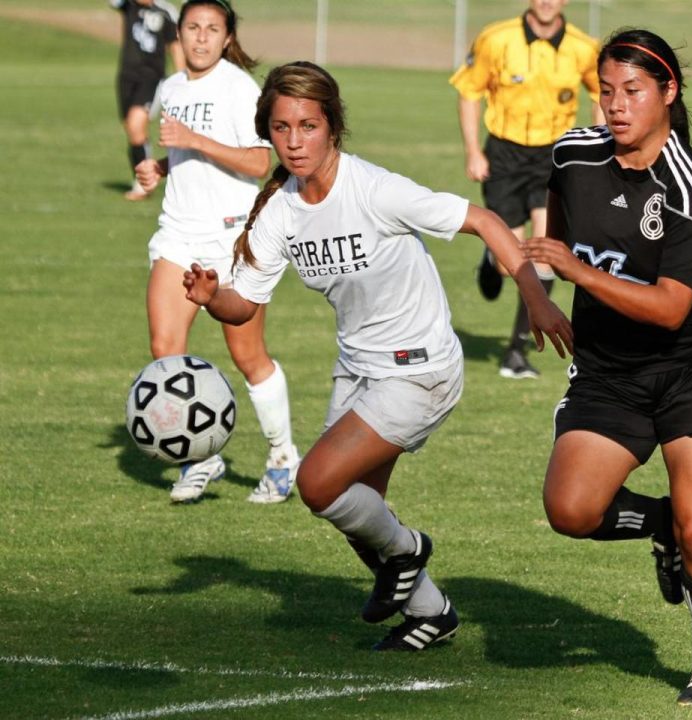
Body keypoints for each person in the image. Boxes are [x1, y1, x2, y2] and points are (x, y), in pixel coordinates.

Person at [181, 61, 573, 649]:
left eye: (308, 126)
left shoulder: (375, 189)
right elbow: (244, 306)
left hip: (420, 369)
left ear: (332, 127)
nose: (294, 141)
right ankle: (432, 614)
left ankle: (412, 551)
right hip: (359, 369)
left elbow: (486, 221)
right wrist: (214, 297)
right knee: (361, 511)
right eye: (282, 127)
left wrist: (537, 299)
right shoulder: (281, 211)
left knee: (318, 484)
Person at [523, 29, 692, 706]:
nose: (616, 106)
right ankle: (660, 526)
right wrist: (539, 295)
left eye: (634, 91)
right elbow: (550, 239)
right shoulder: (573, 152)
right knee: (570, 509)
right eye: (607, 91)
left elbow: (670, 310)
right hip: (608, 370)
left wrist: (574, 271)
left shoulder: (690, 186)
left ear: (668, 93)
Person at [134, 0, 301, 505]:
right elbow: (188, 152)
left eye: (212, 29)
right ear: (179, 33)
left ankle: (282, 456)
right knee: (165, 349)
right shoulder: (172, 87)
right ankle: (199, 455)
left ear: (227, 37)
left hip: (233, 239)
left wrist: (192, 140)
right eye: (192, 28)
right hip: (179, 235)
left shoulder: (238, 88)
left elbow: (257, 161)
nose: (201, 38)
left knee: (247, 354)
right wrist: (162, 167)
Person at [449, 0, 602, 379]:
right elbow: (469, 91)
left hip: (554, 156)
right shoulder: (496, 39)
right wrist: (472, 151)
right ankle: (491, 258)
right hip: (504, 155)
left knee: (545, 253)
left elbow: (601, 94)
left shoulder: (584, 48)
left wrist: (599, 151)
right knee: (508, 263)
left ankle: (516, 351)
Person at [110, 0, 185, 200]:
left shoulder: (165, 12)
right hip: (126, 77)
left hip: (151, 78)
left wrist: (182, 82)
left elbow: (175, 47)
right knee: (133, 131)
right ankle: (143, 175)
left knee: (135, 125)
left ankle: (143, 185)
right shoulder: (128, 5)